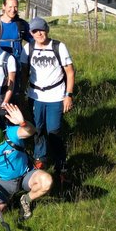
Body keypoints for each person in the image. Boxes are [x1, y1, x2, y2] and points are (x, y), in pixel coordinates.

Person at [0, 105, 52, 222]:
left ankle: (26, 199)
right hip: (3, 182)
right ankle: (9, 200)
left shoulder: (10, 133)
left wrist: (22, 122)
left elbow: (31, 131)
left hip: (26, 175)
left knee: (47, 181)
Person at [21, 17, 75, 175]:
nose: (39, 33)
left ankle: (60, 161)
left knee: (54, 130)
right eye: (35, 31)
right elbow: (24, 72)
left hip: (56, 95)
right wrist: (23, 93)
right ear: (31, 33)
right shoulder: (28, 48)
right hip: (35, 95)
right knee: (38, 129)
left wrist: (68, 95)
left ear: (47, 29)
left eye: (41, 30)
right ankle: (40, 158)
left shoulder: (59, 46)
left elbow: (70, 72)